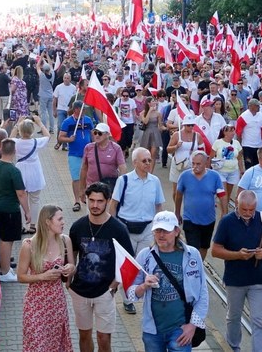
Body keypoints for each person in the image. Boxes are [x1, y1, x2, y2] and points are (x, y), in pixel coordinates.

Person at [68, 182, 135, 352]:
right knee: (84, 335)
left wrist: (115, 284)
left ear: (107, 201)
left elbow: (129, 261)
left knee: (103, 338)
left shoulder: (118, 229)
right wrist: (68, 281)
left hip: (105, 291)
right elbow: (71, 253)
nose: (95, 205)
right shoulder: (77, 226)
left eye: (99, 201)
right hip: (80, 290)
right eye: (91, 200)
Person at [130, 211, 209, 352]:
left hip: (180, 329)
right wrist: (143, 286)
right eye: (158, 230)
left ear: (176, 231)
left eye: (166, 231)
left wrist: (192, 326)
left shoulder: (192, 254)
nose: (161, 235)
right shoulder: (144, 256)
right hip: (152, 331)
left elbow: (202, 293)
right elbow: (131, 293)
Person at [211, 189, 262, 352]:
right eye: (244, 209)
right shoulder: (227, 221)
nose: (247, 213)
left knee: (259, 320)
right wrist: (237, 255)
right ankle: (233, 347)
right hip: (235, 279)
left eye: (251, 210)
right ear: (237, 205)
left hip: (259, 278)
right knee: (233, 317)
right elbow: (215, 250)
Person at [111, 147, 165, 314]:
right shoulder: (124, 180)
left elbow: (159, 205)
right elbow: (113, 204)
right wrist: (113, 227)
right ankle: (124, 295)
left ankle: (133, 296)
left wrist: (159, 227)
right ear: (135, 162)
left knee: (140, 264)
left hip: (147, 229)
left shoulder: (155, 181)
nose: (148, 163)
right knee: (126, 265)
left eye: (150, 160)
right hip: (125, 228)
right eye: (144, 160)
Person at [18, 204, 76, 352]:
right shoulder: (29, 245)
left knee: (56, 344)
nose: (63, 222)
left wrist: (70, 268)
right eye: (60, 219)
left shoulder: (65, 240)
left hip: (57, 303)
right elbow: (20, 276)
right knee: (36, 345)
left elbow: (72, 266)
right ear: (48, 222)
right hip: (35, 304)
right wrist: (42, 276)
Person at [0, 138, 31, 281]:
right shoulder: (14, 170)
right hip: (9, 209)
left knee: (2, 239)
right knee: (7, 240)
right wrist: (27, 212)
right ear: (14, 151)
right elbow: (21, 193)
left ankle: (6, 269)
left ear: (1, 149)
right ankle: (5, 272)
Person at [176, 152, 226, 252]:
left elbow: (222, 195)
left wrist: (224, 212)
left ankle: (200, 265)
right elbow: (178, 195)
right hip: (189, 218)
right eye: (193, 163)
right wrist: (177, 212)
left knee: (204, 246)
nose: (195, 166)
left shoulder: (214, 176)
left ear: (206, 163)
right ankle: (194, 265)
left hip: (209, 219)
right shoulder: (184, 176)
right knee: (193, 248)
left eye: (198, 164)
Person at [15, 116, 53, 229]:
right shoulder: (37, 142)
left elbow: (9, 137)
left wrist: (18, 123)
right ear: (32, 131)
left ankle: (22, 225)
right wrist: (40, 122)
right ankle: (32, 225)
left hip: (20, 171)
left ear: (20, 131)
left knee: (21, 199)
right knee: (35, 200)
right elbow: (48, 136)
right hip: (34, 171)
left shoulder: (16, 142)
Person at [60, 101, 95, 212]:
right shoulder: (68, 122)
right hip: (74, 154)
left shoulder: (88, 120)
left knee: (88, 177)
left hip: (89, 154)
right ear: (76, 109)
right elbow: (60, 137)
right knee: (76, 178)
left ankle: (84, 196)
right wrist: (69, 139)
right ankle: (76, 201)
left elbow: (93, 135)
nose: (85, 111)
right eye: (83, 109)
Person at [80, 123, 126, 190]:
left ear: (107, 134)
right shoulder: (88, 147)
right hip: (91, 187)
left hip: (109, 187)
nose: (97, 135)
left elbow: (122, 168)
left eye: (100, 133)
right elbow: (84, 168)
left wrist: (122, 187)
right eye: (95, 133)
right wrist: (81, 189)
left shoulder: (116, 148)